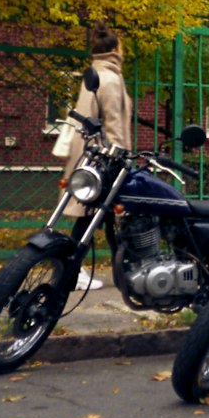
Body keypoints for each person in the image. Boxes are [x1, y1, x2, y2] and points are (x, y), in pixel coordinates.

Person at [62, 21, 134, 290]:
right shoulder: (111, 79)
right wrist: (120, 158)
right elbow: (114, 123)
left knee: (99, 216)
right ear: (115, 49)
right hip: (104, 158)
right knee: (96, 214)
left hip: (88, 153)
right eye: (122, 47)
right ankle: (72, 268)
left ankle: (119, 271)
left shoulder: (94, 73)